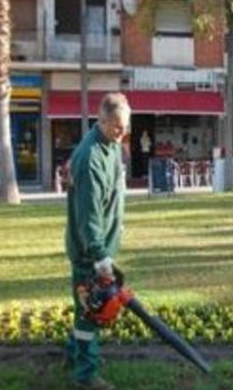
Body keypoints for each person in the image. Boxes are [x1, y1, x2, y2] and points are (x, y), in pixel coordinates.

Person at [64, 93, 131, 390]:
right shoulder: (89, 157)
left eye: (125, 126)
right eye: (117, 126)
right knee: (91, 311)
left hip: (101, 245)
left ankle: (74, 355)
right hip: (89, 251)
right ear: (101, 120)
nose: (122, 132)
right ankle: (87, 375)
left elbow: (111, 195)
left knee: (85, 309)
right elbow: (88, 215)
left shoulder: (110, 145)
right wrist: (100, 256)